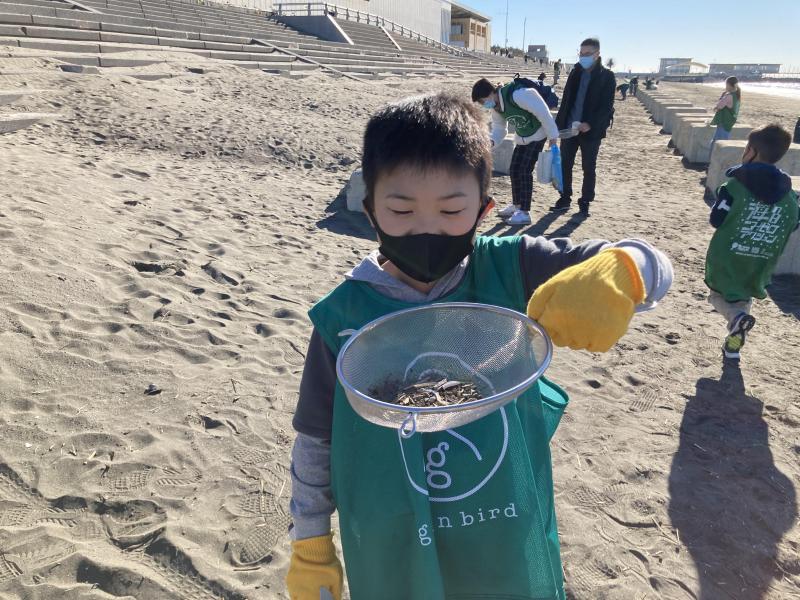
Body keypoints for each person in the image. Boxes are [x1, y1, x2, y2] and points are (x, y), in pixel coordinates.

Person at [285, 92, 673, 600]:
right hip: (391, 534)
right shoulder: (342, 319)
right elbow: (316, 440)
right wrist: (310, 545)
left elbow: (656, 266)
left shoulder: (512, 269)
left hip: (502, 526)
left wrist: (623, 270)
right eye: (401, 209)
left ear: (484, 209)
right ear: (370, 210)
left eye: (452, 209)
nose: (426, 228)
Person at [705, 124, 799, 360]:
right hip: (762, 260)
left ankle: (736, 319)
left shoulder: (734, 186)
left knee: (717, 295)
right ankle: (734, 343)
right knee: (743, 296)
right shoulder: (789, 195)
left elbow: (716, 220)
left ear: (752, 151)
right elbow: (794, 222)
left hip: (728, 257)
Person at [471, 77, 559, 225]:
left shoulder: (517, 94)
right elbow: (500, 129)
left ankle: (524, 212)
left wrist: (553, 136)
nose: (483, 104)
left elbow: (543, 111)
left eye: (482, 100)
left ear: (491, 92)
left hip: (538, 133)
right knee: (514, 169)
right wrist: (491, 142)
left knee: (524, 171)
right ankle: (517, 205)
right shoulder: (496, 108)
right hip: (522, 137)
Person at [550, 37, 616, 218]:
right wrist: (558, 126)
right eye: (581, 53)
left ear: (597, 54)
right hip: (570, 128)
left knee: (589, 167)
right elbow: (566, 101)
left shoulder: (607, 76)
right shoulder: (575, 72)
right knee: (565, 164)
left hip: (591, 132)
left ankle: (585, 201)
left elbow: (606, 106)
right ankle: (564, 198)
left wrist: (590, 124)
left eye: (587, 53)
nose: (583, 57)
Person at [710, 76, 741, 144]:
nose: (725, 87)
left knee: (718, 142)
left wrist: (722, 96)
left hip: (724, 121)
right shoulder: (736, 95)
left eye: (726, 85)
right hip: (729, 121)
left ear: (729, 85)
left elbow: (719, 106)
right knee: (720, 139)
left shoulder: (729, 96)